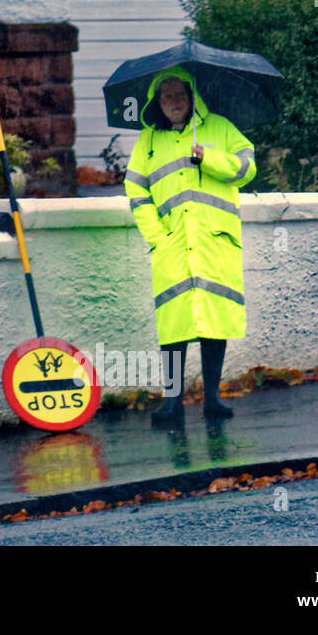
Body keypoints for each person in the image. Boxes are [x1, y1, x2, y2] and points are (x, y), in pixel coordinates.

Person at [123, 67, 256, 426]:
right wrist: (158, 237)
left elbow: (247, 168)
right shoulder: (147, 141)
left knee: (215, 321)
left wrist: (209, 158)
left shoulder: (220, 128)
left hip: (215, 241)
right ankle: (172, 403)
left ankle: (213, 397)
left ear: (191, 96)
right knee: (173, 325)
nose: (175, 102)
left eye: (180, 94)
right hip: (172, 245)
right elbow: (136, 191)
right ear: (157, 102)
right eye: (167, 96)